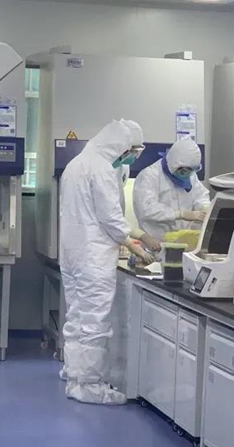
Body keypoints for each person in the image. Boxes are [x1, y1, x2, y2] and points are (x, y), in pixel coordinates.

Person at [59, 119, 157, 405]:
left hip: (73, 254)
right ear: (121, 147)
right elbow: (111, 218)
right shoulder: (101, 168)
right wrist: (136, 243)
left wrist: (131, 239)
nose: (133, 156)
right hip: (94, 257)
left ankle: (74, 373)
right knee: (95, 322)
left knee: (77, 317)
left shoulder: (77, 163)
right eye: (133, 151)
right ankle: (88, 386)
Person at [133, 136, 211, 240]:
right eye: (184, 171)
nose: (187, 174)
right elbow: (146, 208)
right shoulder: (149, 176)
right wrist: (180, 214)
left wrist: (204, 207)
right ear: (174, 164)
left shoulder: (191, 176)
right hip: (156, 243)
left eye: (191, 171)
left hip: (184, 242)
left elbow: (200, 195)